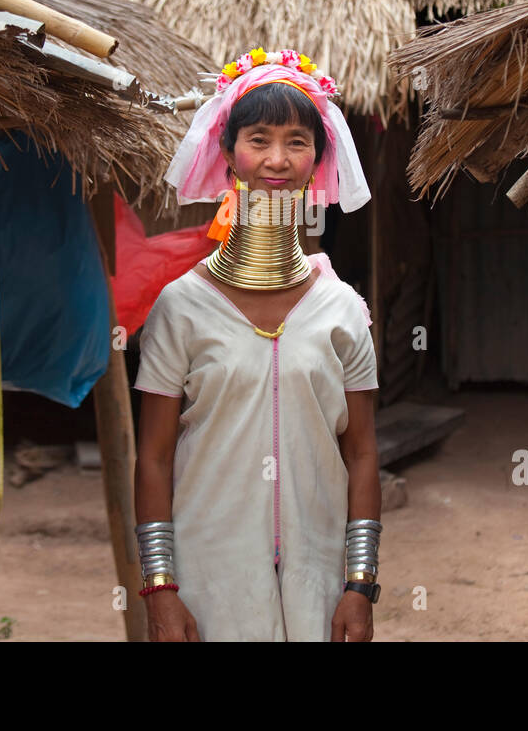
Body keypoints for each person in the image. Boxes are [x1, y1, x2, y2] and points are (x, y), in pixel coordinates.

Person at [132, 47, 382, 641]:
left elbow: (364, 453)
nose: (277, 159)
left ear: (318, 158)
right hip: (207, 578)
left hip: (319, 581)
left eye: (298, 141)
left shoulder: (342, 311)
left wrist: (360, 583)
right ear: (227, 152)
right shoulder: (180, 308)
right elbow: (153, 458)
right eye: (259, 139)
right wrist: (161, 588)